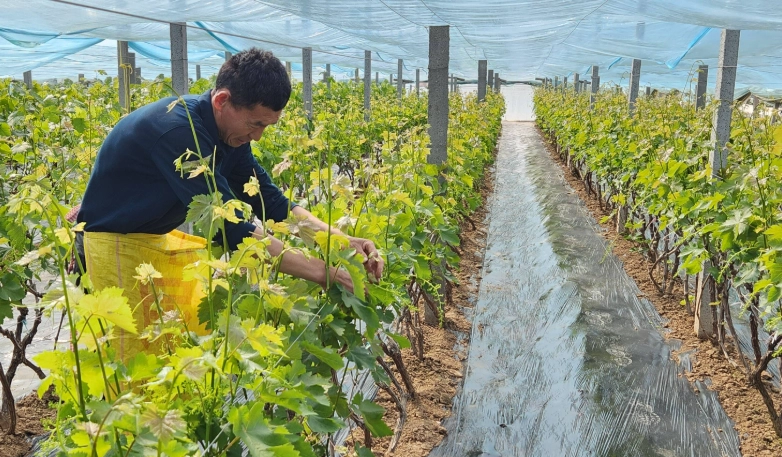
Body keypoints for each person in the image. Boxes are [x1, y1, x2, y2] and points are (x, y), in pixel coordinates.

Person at [76, 48, 383, 356]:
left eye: (266, 126)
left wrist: (339, 241)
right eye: (256, 124)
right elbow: (233, 229)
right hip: (110, 244)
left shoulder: (229, 134)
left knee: (173, 350)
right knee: (132, 360)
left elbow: (269, 200)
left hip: (148, 242)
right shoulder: (180, 134)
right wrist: (322, 272)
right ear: (222, 101)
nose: (259, 136)